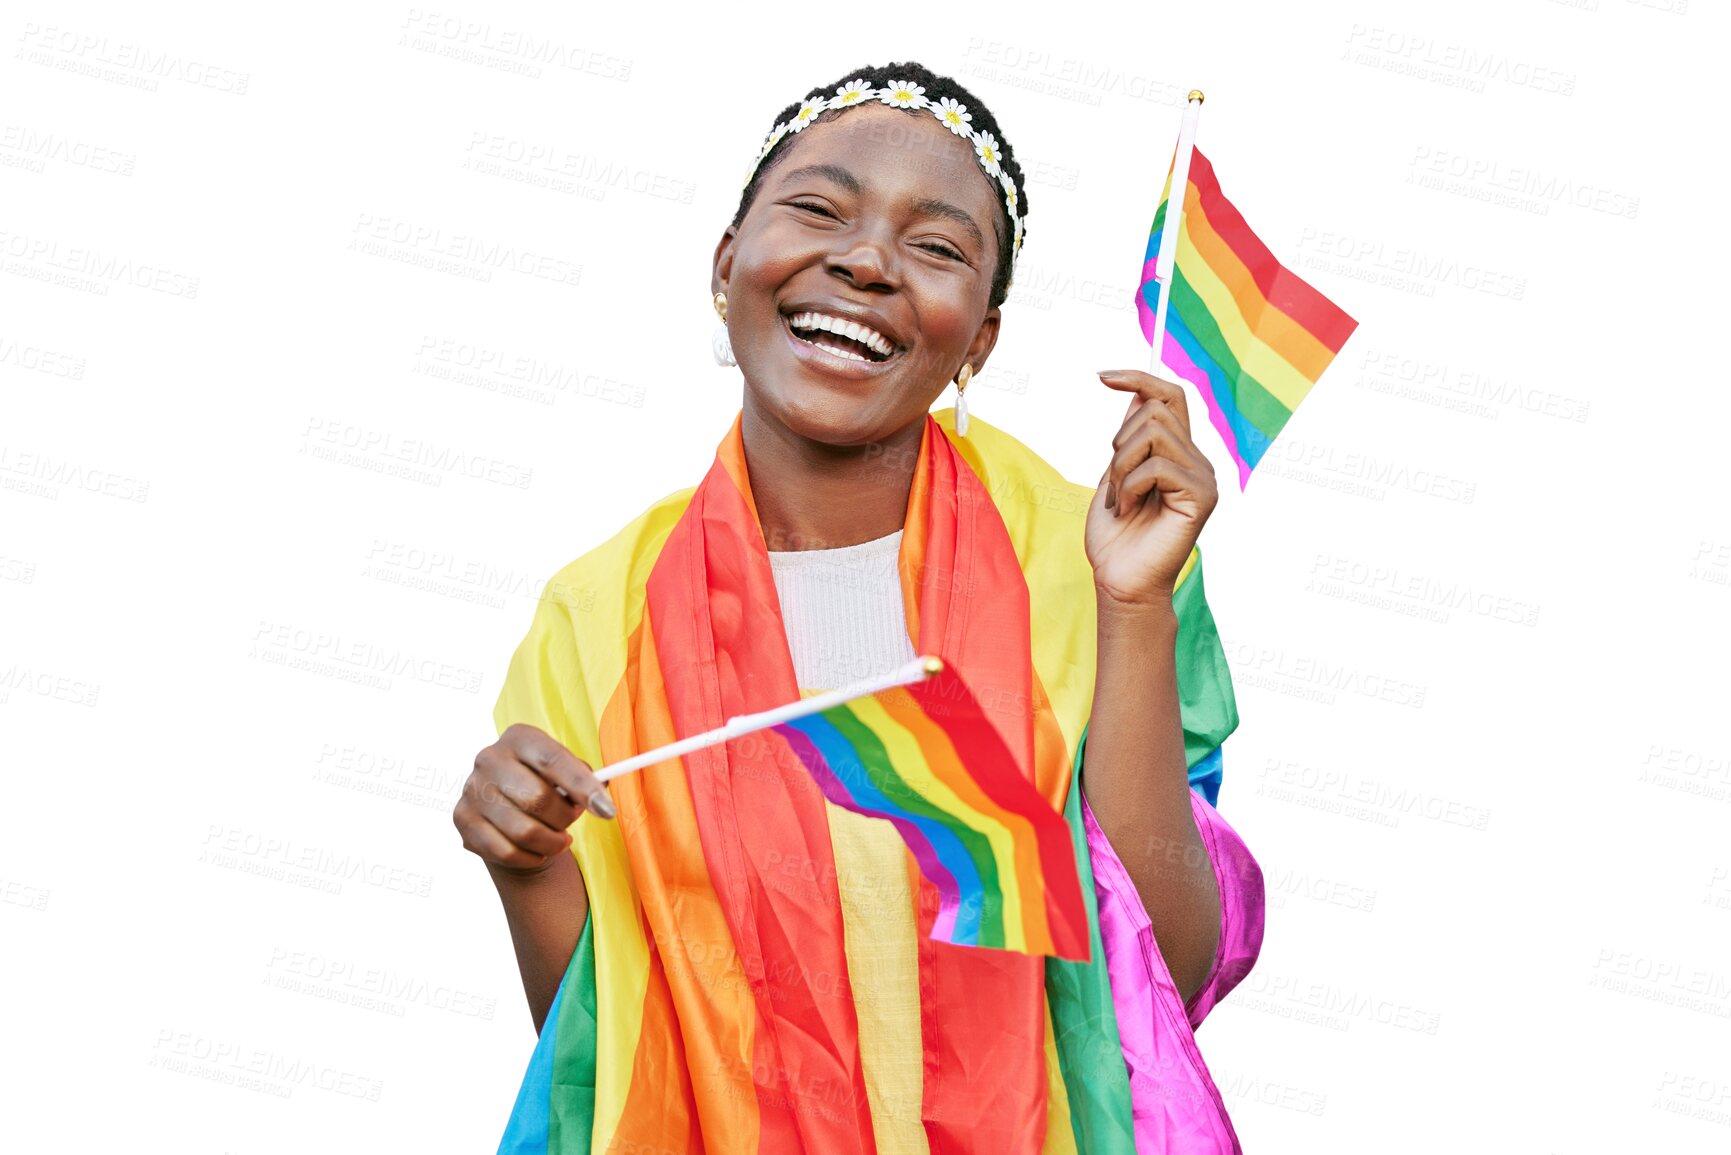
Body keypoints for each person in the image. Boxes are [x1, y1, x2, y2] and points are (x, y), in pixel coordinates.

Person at [454, 61, 1266, 1154]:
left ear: (978, 339)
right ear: (727, 263)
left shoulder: (1091, 557)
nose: (868, 260)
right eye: (819, 209)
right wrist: (528, 863)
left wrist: (1132, 608)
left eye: (936, 248)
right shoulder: (601, 615)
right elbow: (610, 1063)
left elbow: (1162, 973)